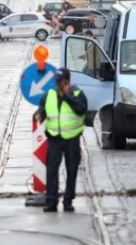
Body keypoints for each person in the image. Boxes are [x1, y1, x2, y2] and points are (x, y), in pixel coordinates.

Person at [34, 68, 88, 212]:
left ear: (67, 80)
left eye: (61, 81)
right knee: (52, 170)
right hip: (54, 138)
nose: (58, 84)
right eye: (56, 81)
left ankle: (68, 200)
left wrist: (67, 96)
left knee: (72, 170)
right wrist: (39, 113)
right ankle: (51, 201)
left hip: (72, 138)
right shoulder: (50, 94)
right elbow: (42, 106)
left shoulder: (77, 93)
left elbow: (82, 109)